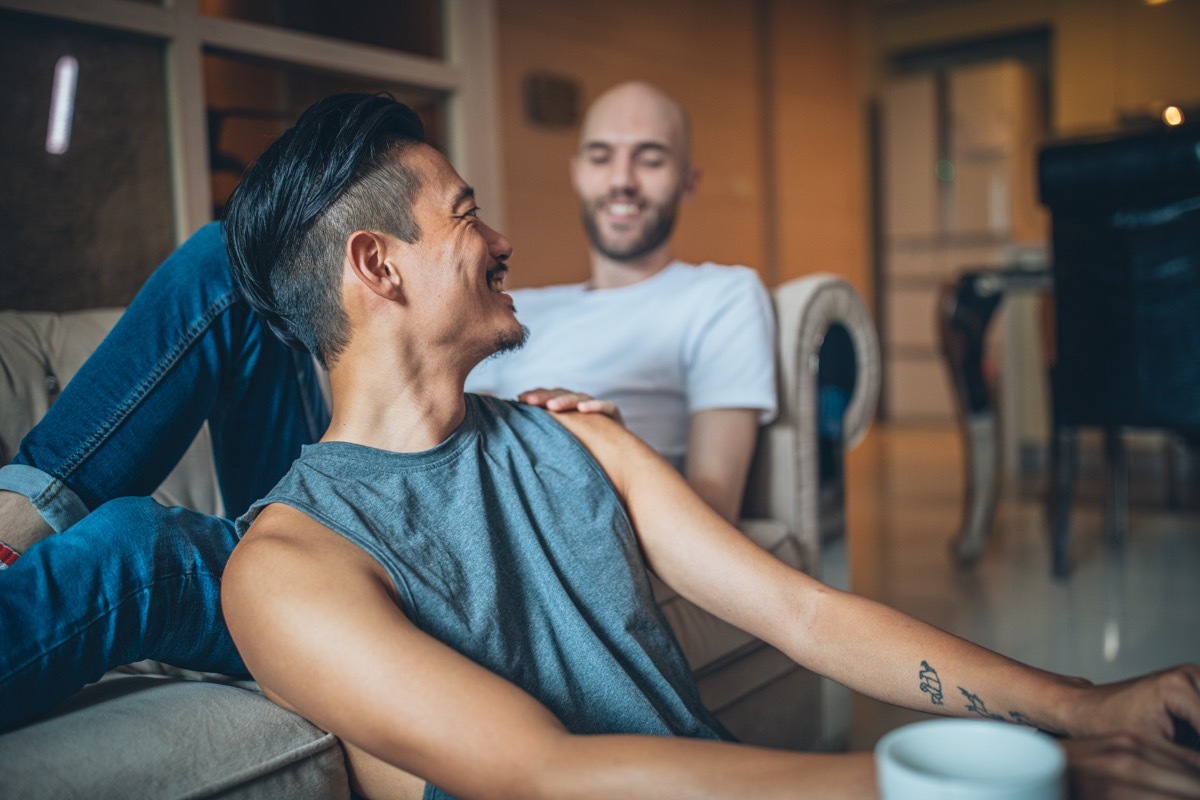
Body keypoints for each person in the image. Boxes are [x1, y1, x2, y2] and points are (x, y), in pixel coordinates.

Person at [217, 93, 1200, 800]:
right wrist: (971, 777)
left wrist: (1083, 705)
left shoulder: (576, 438)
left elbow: (804, 611)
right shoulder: (288, 567)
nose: (504, 238)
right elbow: (544, 773)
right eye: (468, 214)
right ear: (378, 265)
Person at [466, 80, 775, 523]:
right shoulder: (517, 306)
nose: (621, 180)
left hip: (581, 518)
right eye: (600, 157)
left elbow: (716, 504)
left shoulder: (722, 295)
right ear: (577, 173)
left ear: (689, 181)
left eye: (650, 159)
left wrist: (622, 460)